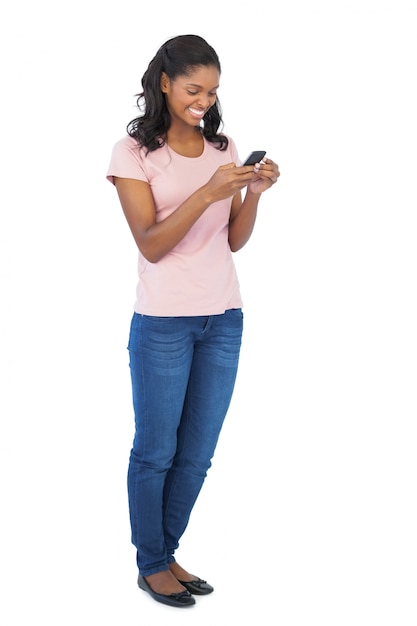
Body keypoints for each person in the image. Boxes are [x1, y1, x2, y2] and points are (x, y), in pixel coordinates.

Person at [106, 34, 280, 608]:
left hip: (223, 319)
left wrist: (251, 192)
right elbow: (152, 244)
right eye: (193, 89)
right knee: (155, 450)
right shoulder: (133, 153)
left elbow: (233, 240)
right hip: (162, 324)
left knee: (197, 453)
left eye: (212, 91)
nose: (204, 101)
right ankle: (150, 562)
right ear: (164, 83)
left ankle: (166, 553)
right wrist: (208, 191)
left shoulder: (223, 146)